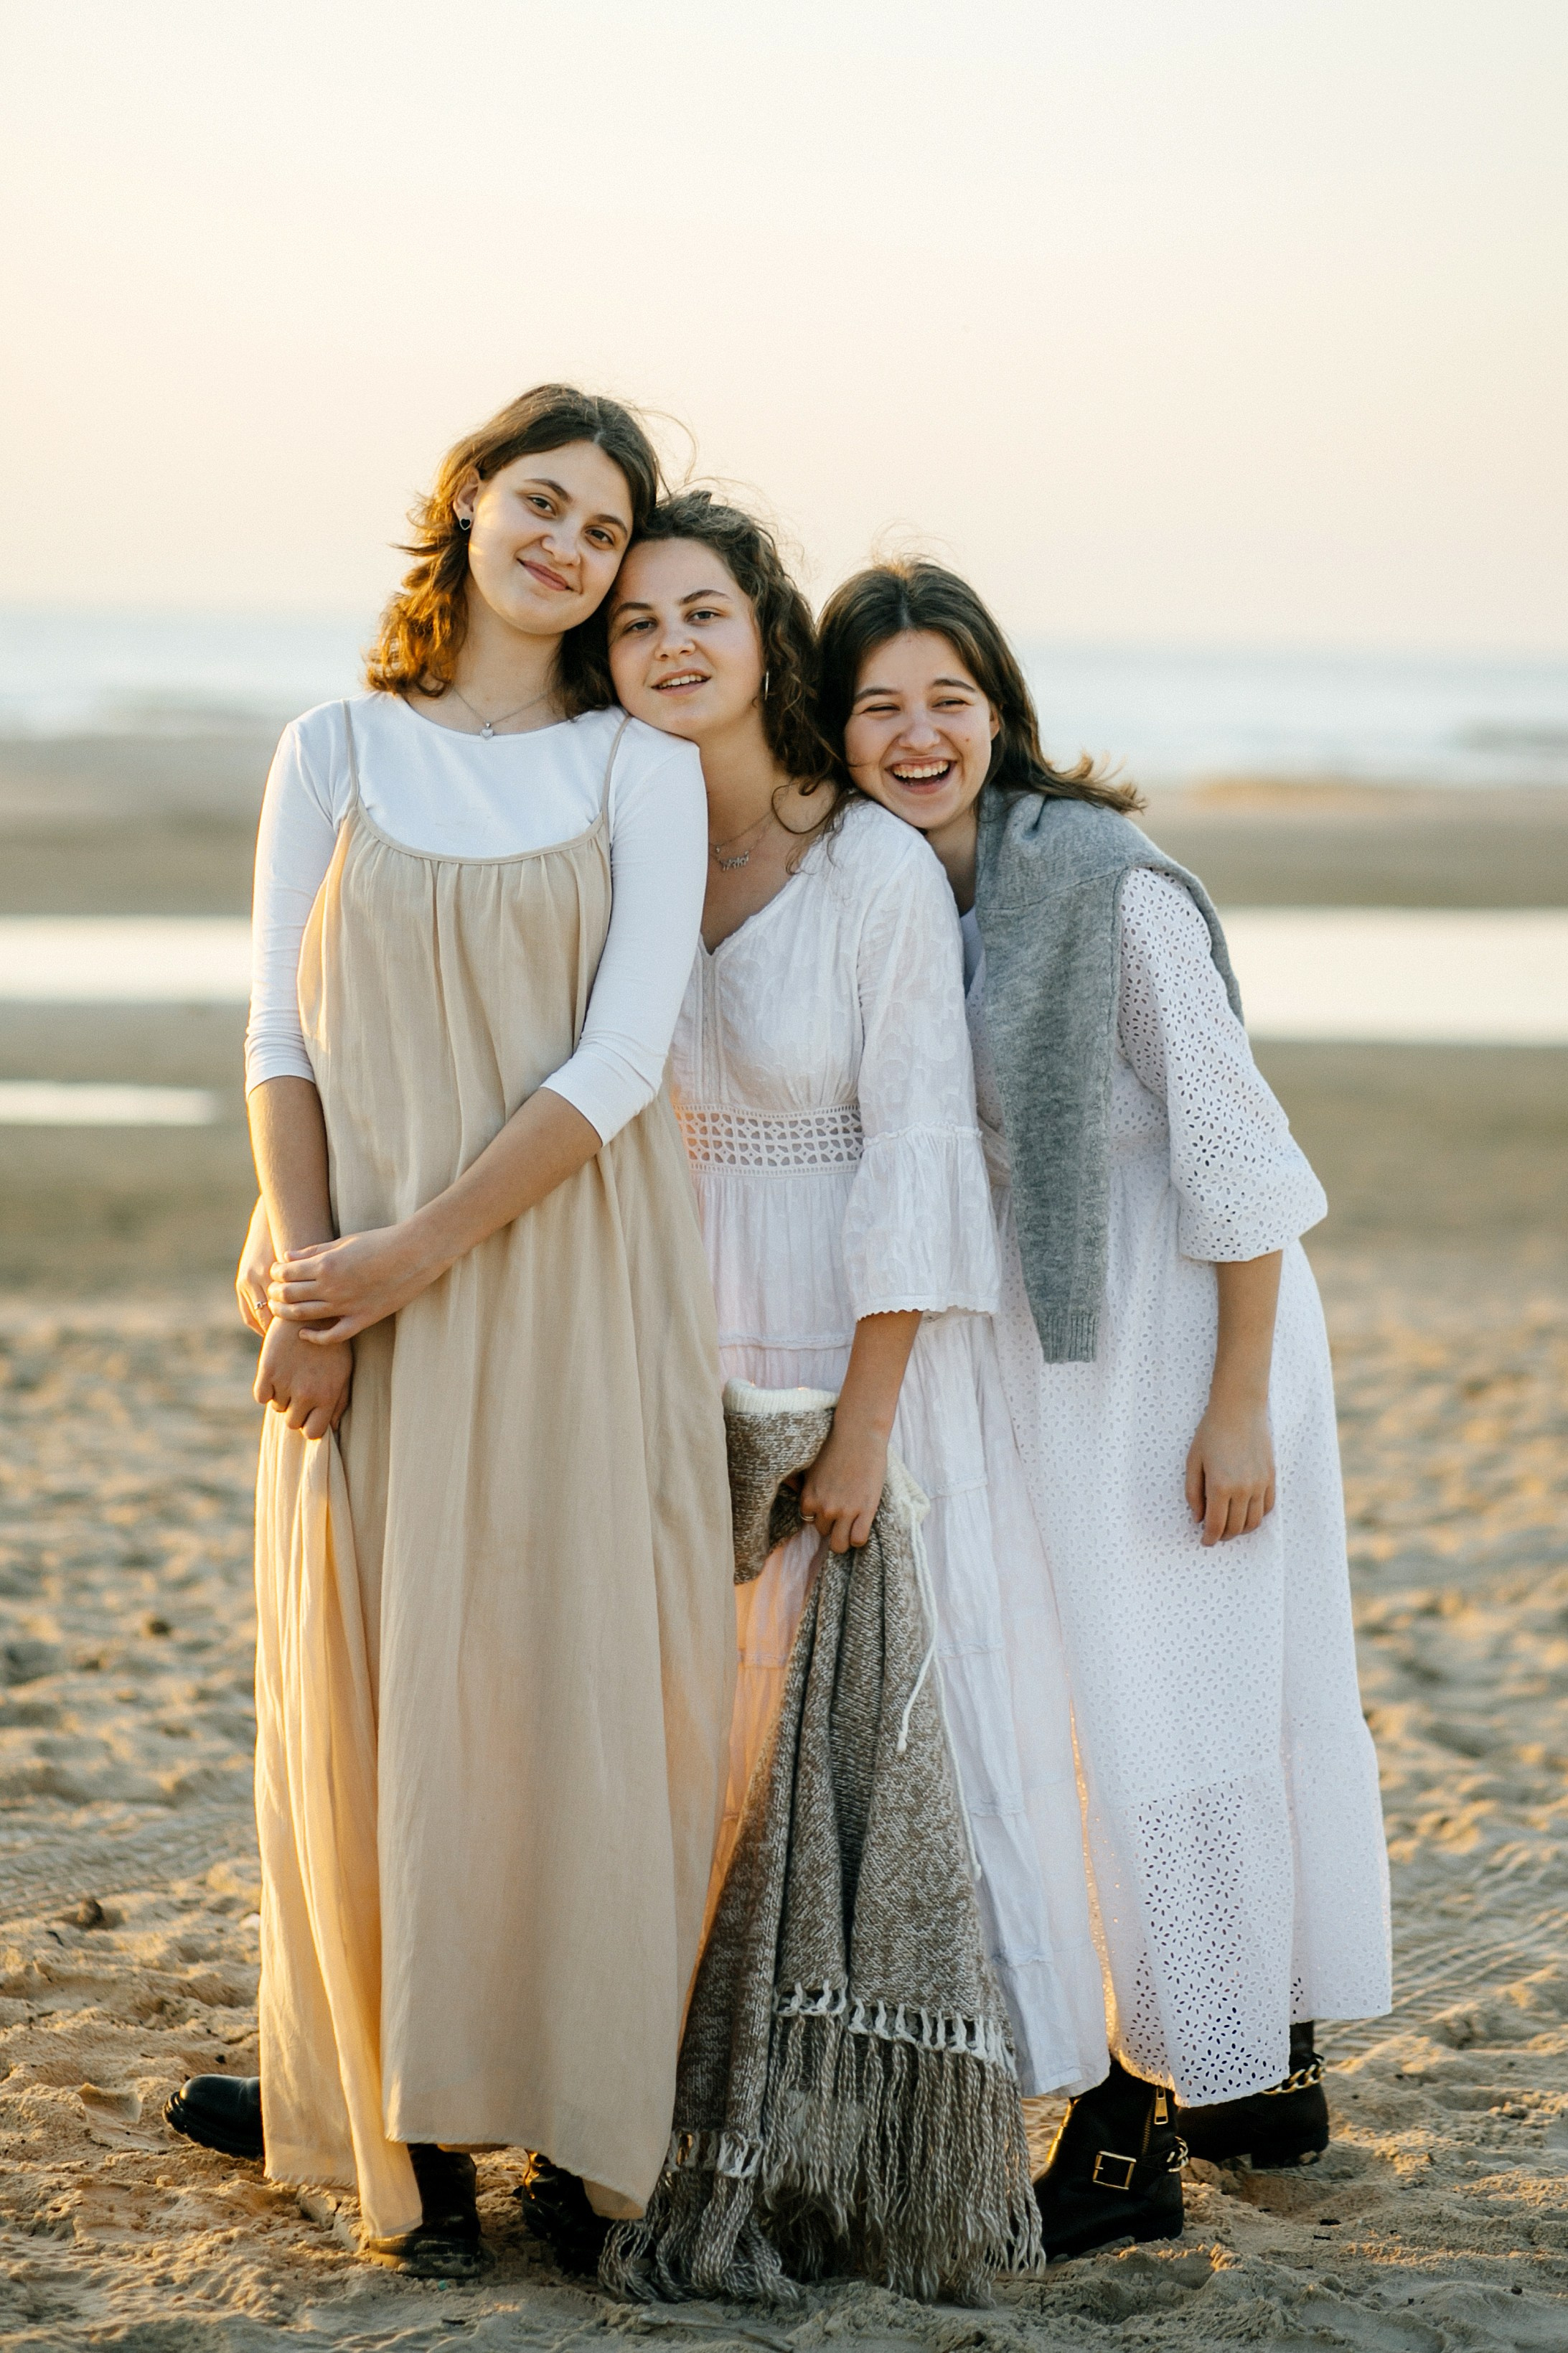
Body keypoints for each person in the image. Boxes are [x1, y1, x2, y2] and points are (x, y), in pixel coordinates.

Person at [167, 387, 736, 2277]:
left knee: (574, 1677)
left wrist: (412, 1251)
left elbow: (625, 1055)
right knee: (384, 1683)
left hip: (568, 1274)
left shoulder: (629, 769)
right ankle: (407, 2134)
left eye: (601, 527)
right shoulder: (333, 744)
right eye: (541, 500)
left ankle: (579, 2130)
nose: (567, 544)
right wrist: (320, 1274)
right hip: (357, 1301)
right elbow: (276, 1034)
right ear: (468, 506)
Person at [815, 559, 1392, 2260]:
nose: (918, 737)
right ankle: (1250, 2056)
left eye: (948, 699)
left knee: (1162, 1714)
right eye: (878, 706)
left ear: (1001, 709)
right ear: (833, 729)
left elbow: (1242, 1163)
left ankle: (1135, 2125)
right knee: (1107, 1705)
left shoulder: (1106, 888)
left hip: (1183, 1336)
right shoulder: (911, 896)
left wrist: (1235, 1413)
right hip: (1047, 1359)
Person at [604, 494, 1109, 2117]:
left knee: (894, 1699)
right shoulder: (627, 833)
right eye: (635, 624)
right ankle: (674, 2068)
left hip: (851, 1336)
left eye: (703, 615)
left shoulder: (869, 862)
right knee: (686, 1711)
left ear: (765, 634)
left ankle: (941, 2089)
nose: (672, 647)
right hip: (666, 1317)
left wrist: (863, 1430)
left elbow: (915, 1155)